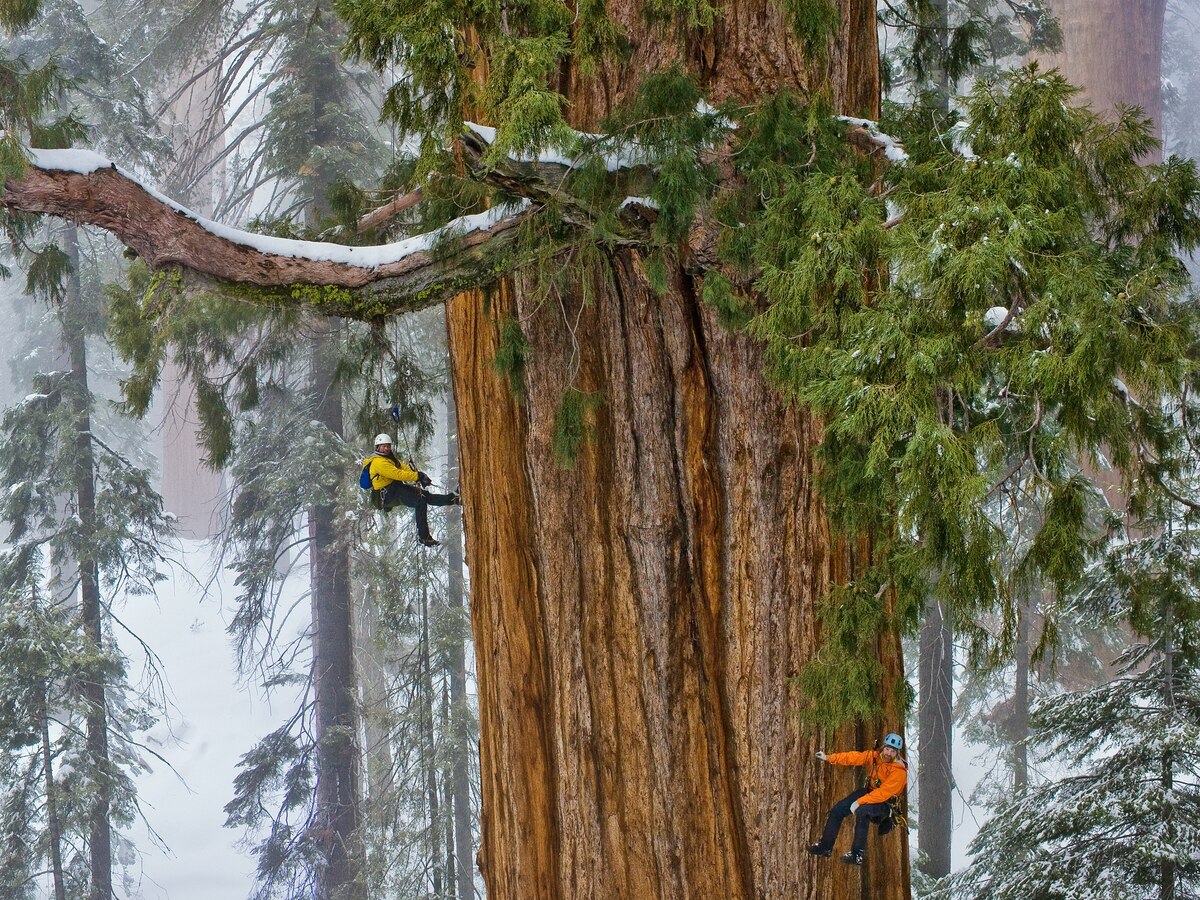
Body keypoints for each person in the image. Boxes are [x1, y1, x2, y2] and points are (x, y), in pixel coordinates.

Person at [806, 731, 907, 866]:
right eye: (887, 749)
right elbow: (854, 757)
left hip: (885, 803)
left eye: (892, 751)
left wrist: (859, 802)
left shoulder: (899, 771)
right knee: (838, 810)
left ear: (897, 753)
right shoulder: (876, 756)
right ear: (883, 747)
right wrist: (829, 758)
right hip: (870, 792)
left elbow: (884, 793)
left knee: (862, 811)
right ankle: (825, 847)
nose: (888, 753)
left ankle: (857, 854)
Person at [364, 433, 460, 547]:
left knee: (424, 495)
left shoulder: (388, 458)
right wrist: (417, 476)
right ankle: (424, 537)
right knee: (419, 501)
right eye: (383, 446)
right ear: (378, 447)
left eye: (388, 446)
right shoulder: (378, 462)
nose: (386, 448)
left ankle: (453, 499)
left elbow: (402, 467)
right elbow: (397, 474)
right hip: (388, 494)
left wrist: (419, 475)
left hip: (393, 488)